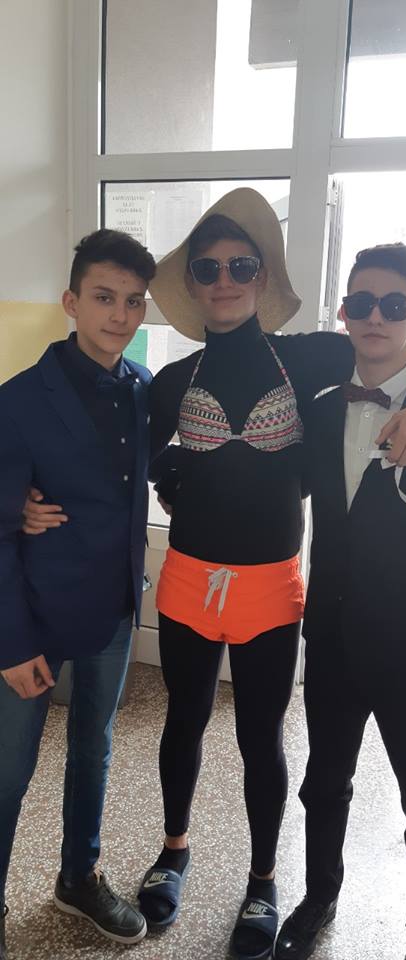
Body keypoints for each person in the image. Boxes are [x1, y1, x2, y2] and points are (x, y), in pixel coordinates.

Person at [133, 189, 406, 960]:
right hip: (189, 580)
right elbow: (129, 450)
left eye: (240, 265)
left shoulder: (311, 356)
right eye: (208, 268)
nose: (224, 279)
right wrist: (168, 471)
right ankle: (174, 850)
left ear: (262, 274)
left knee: (261, 739)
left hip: (272, 588)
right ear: (193, 283)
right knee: (182, 721)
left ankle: (264, 880)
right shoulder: (173, 380)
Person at [274, 243, 406, 960]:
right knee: (324, 785)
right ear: (345, 312)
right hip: (331, 642)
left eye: (393, 304)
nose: (376, 317)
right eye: (362, 303)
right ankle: (318, 897)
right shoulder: (323, 411)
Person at [0, 229, 156, 957]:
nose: (119, 315)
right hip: (31, 616)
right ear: (70, 302)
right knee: (8, 770)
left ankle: (78, 876)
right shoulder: (18, 400)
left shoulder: (142, 389)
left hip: (113, 611)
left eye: (133, 301)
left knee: (93, 749)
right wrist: (11, 642)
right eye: (103, 297)